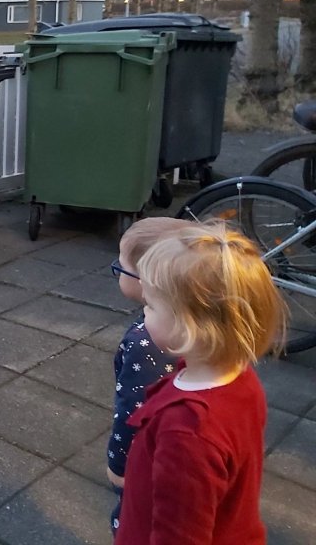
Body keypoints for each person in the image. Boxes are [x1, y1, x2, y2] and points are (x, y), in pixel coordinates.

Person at [114, 221, 286, 544]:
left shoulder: (187, 432)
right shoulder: (240, 380)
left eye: (150, 306)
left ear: (190, 329)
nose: (144, 313)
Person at [106, 217, 185, 535]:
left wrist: (118, 466)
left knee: (135, 525)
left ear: (147, 280)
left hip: (147, 465)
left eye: (120, 266)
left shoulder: (149, 341)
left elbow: (134, 412)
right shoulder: (191, 328)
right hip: (170, 459)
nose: (117, 270)